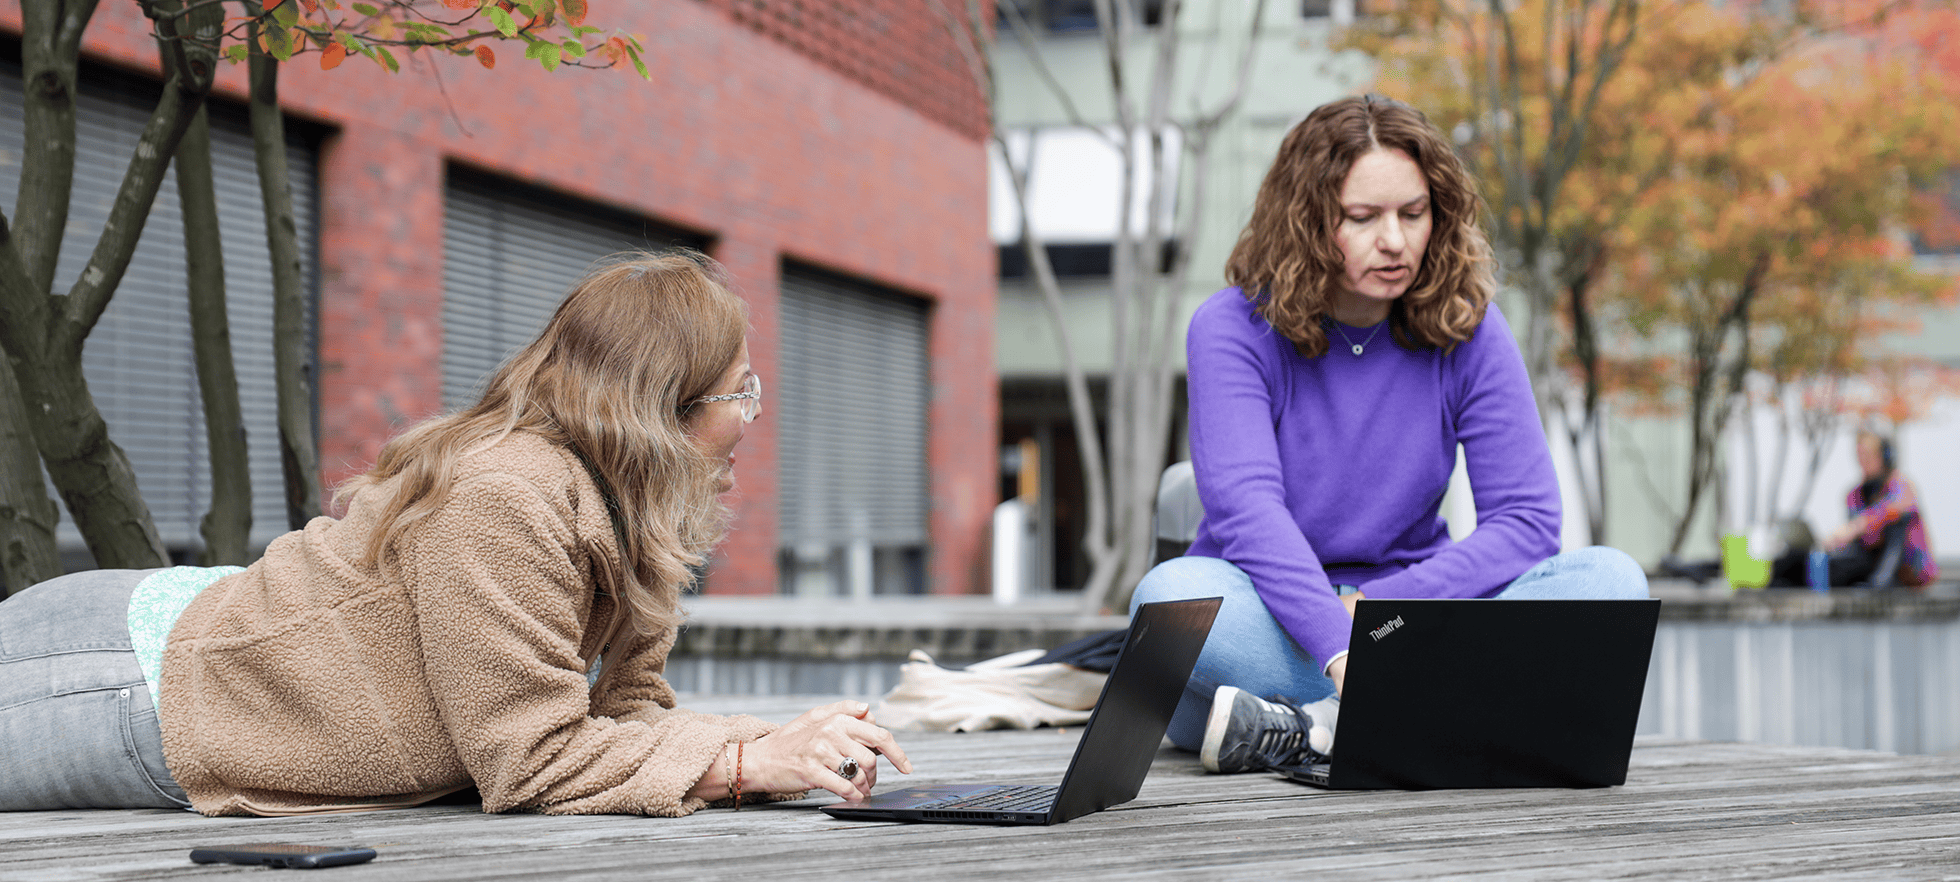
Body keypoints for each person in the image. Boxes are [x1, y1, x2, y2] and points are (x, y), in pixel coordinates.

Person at [0, 251, 910, 816]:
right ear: (651, 407)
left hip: (168, 660)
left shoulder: (628, 512)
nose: (756, 417)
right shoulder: (507, 497)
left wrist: (791, 742)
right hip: (132, 678)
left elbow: (621, 719)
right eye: (739, 392)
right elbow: (534, 758)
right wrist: (749, 764)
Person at [1129, 95, 1648, 775]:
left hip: (1418, 614)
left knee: (1610, 581)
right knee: (1169, 598)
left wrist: (1381, 611)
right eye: (1362, 217)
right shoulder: (1230, 328)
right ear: (1309, 219)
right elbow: (1247, 512)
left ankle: (1307, 728)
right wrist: (1340, 645)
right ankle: (1428, 716)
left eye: (1413, 213)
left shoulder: (1471, 326)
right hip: (1277, 619)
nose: (1396, 240)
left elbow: (1526, 521)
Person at [1771, 429, 1938, 589]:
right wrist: (1835, 542)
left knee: (1898, 523)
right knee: (1794, 564)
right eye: (1860, 456)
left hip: (1911, 571)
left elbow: (1895, 508)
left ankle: (1881, 582)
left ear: (1885, 457)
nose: (1863, 462)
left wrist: (1857, 526)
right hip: (1870, 563)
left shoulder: (1902, 486)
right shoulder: (1855, 495)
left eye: (1869, 456)